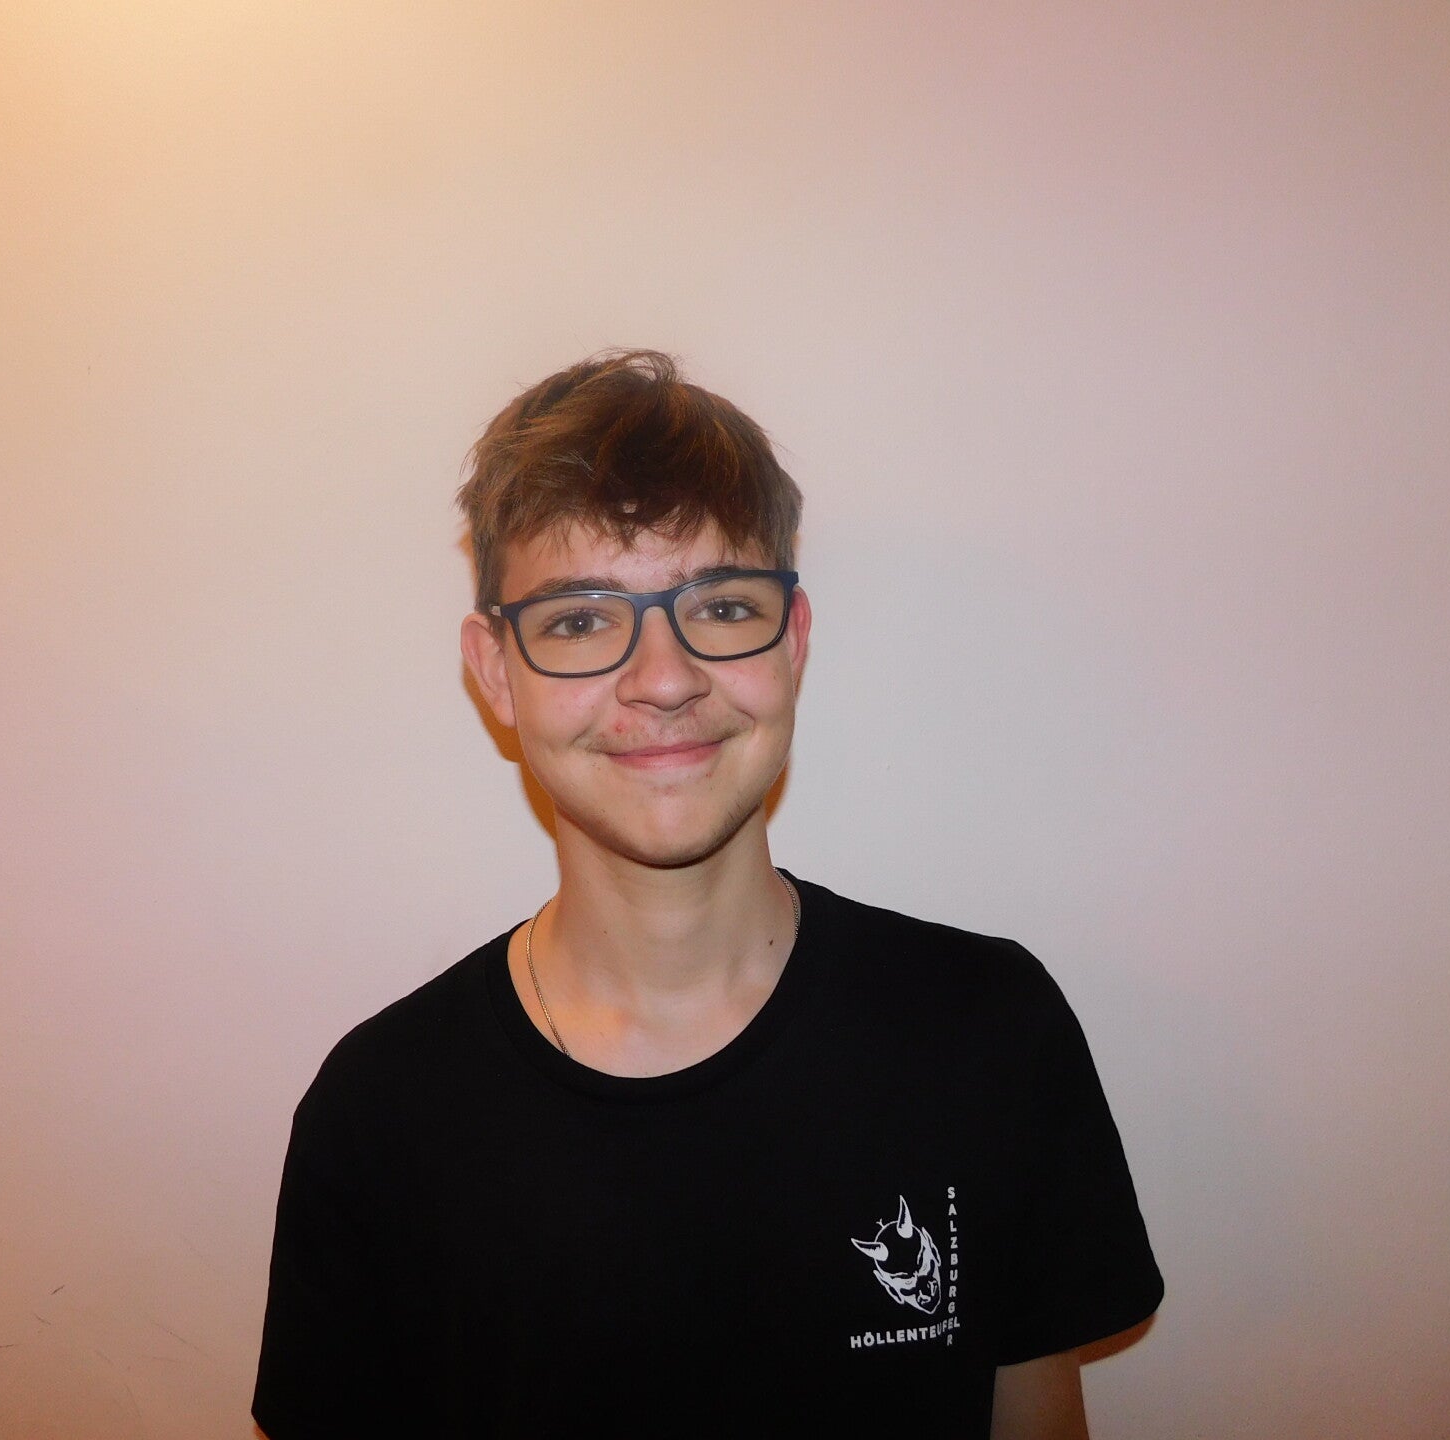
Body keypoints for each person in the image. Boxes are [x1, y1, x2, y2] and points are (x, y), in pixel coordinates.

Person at [252, 351, 1162, 1438]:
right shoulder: (379, 1116)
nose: (665, 679)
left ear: (794, 641)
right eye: (581, 620)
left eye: (722, 606)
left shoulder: (988, 1031)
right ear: (495, 672)